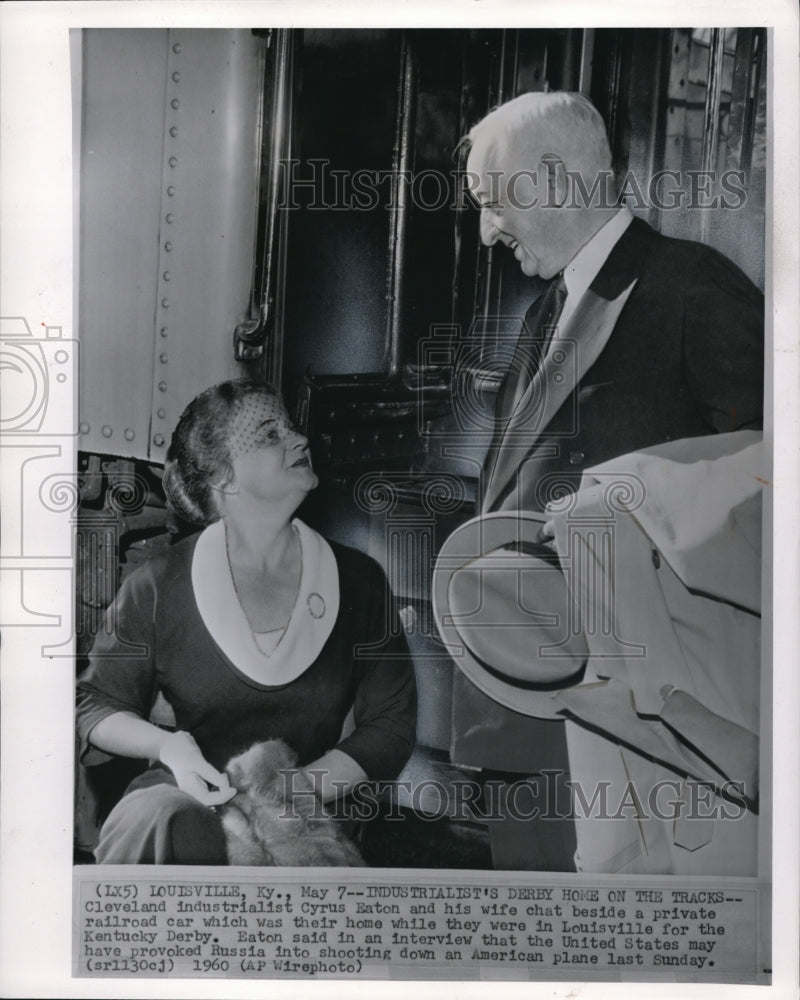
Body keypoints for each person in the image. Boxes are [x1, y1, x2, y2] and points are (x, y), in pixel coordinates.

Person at [449, 91, 764, 871]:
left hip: (631, 728)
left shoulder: (694, 287)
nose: (487, 229)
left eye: (492, 202)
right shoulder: (544, 310)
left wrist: (625, 491)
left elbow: (770, 470)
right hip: (526, 707)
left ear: (555, 178)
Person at [77, 378, 417, 864]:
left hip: (306, 808)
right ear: (225, 479)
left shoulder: (359, 581)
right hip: (188, 801)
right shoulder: (158, 584)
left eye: (291, 428)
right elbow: (95, 704)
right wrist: (170, 748)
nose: (299, 440)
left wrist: (289, 792)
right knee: (162, 817)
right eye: (268, 435)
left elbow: (390, 725)